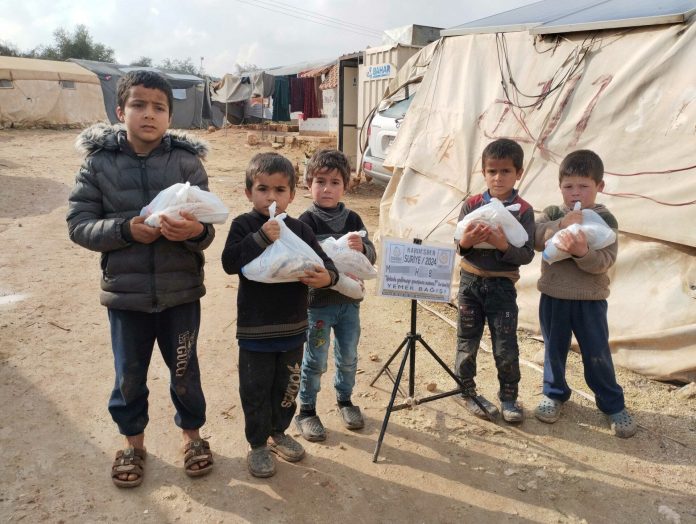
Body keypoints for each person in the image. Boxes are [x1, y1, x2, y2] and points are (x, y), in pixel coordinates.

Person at [67, 70, 215, 488]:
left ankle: (193, 438)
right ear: (120, 111)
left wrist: (194, 233)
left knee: (185, 371)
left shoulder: (187, 163)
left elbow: (207, 229)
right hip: (125, 296)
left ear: (170, 115)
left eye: (159, 107)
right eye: (139, 105)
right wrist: (126, 230)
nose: (149, 114)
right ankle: (133, 443)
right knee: (129, 375)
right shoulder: (98, 163)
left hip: (180, 293)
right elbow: (79, 225)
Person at [221, 152, 339, 478]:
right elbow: (230, 263)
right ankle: (258, 443)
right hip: (255, 330)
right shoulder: (244, 226)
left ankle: (280, 432)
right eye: (262, 189)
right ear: (248, 192)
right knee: (255, 388)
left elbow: (325, 264)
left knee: (288, 387)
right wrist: (261, 238)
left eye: (279, 190)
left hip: (292, 329)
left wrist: (326, 277)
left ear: (291, 195)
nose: (271, 197)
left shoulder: (300, 230)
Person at [533, 149, 636, 438]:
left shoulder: (605, 219)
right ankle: (553, 394)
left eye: (583, 186)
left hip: (590, 300)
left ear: (599, 187)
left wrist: (582, 252)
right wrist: (560, 226)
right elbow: (536, 239)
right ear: (560, 187)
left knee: (596, 353)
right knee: (554, 349)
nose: (575, 192)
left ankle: (612, 405)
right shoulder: (554, 213)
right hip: (553, 295)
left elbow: (604, 262)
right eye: (568, 186)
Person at [294, 149, 377, 442]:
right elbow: (302, 258)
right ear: (308, 183)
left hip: (349, 305)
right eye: (320, 181)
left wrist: (362, 248)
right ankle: (306, 410)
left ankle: (345, 400)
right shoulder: (305, 221)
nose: (327, 188)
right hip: (318, 307)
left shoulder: (353, 218)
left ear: (346, 185)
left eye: (334, 182)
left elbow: (371, 257)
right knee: (315, 358)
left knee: (348, 355)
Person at [454, 138, 535, 423]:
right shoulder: (473, 204)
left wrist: (502, 244)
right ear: (483, 172)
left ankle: (509, 398)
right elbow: (459, 245)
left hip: (502, 288)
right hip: (470, 284)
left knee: (505, 345)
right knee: (466, 341)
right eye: (492, 171)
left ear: (518, 173)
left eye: (505, 171)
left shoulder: (523, 210)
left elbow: (526, 254)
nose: (498, 178)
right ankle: (466, 392)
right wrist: (467, 241)